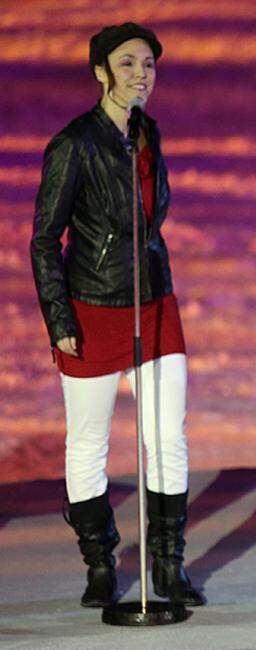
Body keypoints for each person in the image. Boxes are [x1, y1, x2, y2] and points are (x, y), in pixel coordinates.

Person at [30, 23, 204, 609]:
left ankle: (168, 567)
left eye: (149, 64)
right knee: (87, 443)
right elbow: (43, 240)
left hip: (155, 300)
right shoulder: (73, 144)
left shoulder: (147, 134)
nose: (141, 74)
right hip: (91, 307)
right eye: (127, 63)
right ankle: (100, 564)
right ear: (101, 72)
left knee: (167, 438)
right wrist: (59, 321)